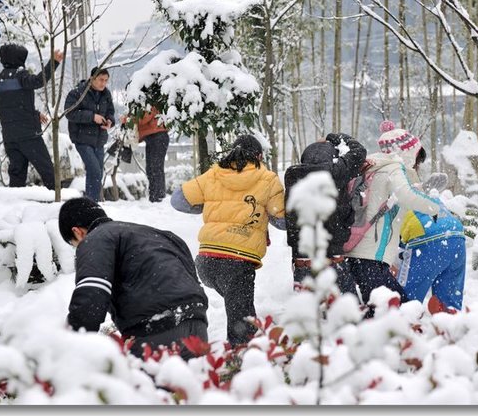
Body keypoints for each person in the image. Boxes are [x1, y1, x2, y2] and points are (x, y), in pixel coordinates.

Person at [59, 197, 209, 361]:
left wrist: (70, 345)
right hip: (197, 326)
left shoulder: (96, 238)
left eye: (74, 244)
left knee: (142, 386)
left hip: (155, 330)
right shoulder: (160, 235)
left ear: (77, 232)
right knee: (185, 385)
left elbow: (92, 296)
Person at [171, 134, 285, 346]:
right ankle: (240, 365)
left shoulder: (214, 173)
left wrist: (211, 205)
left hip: (206, 262)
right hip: (236, 263)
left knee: (239, 310)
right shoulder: (268, 179)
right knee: (242, 330)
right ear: (259, 156)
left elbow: (178, 201)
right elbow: (282, 220)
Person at [343, 121, 449, 313]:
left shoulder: (371, 167)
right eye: (417, 159)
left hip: (356, 253)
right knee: (399, 311)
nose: (417, 165)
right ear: (408, 153)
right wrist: (434, 208)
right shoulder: (393, 168)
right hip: (371, 257)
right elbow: (406, 196)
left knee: (385, 310)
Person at [284, 133, 367, 295]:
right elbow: (359, 151)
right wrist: (335, 137)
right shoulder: (335, 171)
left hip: (303, 257)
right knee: (345, 311)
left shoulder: (291, 174)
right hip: (333, 253)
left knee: (306, 312)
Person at [395, 167, 467, 312]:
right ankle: (450, 323)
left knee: (408, 296)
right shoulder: (429, 197)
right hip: (456, 235)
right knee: (449, 294)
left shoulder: (397, 200)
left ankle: (406, 323)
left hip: (427, 240)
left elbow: (396, 245)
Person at [0, 43, 63, 189]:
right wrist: (54, 63)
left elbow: (12, 106)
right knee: (48, 172)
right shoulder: (20, 75)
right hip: (28, 136)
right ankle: (59, 202)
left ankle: (14, 206)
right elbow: (39, 81)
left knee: (17, 176)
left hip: (10, 137)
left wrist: (34, 114)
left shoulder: (0, 80)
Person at [65, 67, 115, 202]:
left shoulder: (106, 94)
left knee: (97, 172)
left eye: (106, 80)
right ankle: (91, 203)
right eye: (100, 80)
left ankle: (92, 202)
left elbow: (111, 111)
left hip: (99, 139)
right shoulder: (78, 93)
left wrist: (110, 121)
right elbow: (69, 113)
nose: (103, 83)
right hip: (82, 138)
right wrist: (92, 117)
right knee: (94, 170)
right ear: (92, 78)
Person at [136, 107, 170, 202]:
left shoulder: (149, 99)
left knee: (155, 168)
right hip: (153, 136)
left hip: (158, 135)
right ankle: (154, 197)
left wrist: (129, 119)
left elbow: (144, 117)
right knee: (151, 169)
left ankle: (158, 197)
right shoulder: (143, 100)